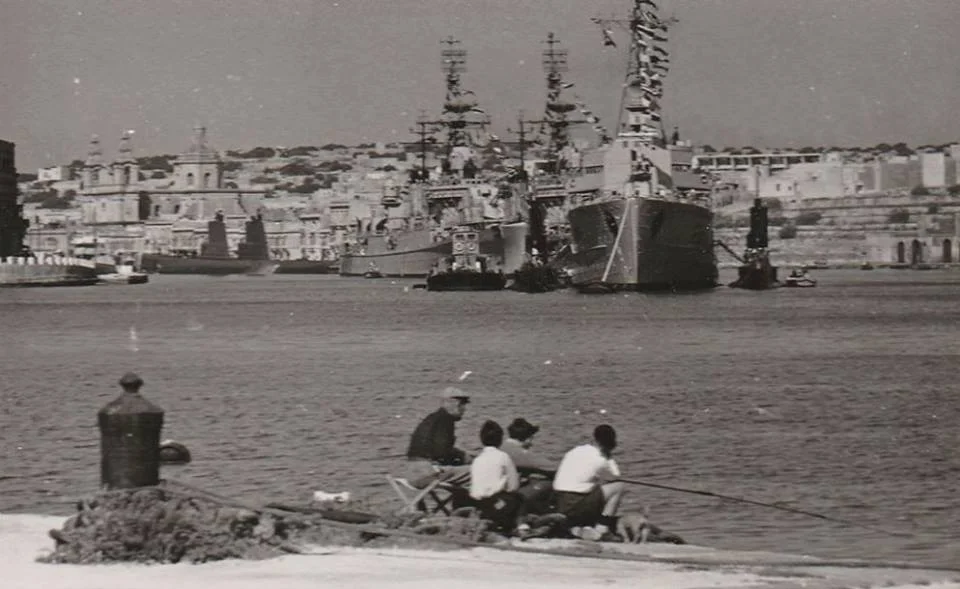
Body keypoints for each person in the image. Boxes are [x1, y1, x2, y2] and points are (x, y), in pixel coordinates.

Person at [552, 424, 625, 542]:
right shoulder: (601, 460)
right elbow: (616, 477)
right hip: (575, 504)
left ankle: (579, 524)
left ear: (594, 438)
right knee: (619, 487)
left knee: (591, 486)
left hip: (559, 501)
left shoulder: (575, 450)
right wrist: (609, 457)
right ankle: (603, 528)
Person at [405, 386, 473, 489]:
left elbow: (437, 448)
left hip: (412, 473)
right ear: (453, 403)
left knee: (459, 471)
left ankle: (462, 502)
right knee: (477, 472)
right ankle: (475, 503)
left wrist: (460, 455)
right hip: (427, 474)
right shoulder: (446, 420)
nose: (464, 408)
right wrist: (464, 457)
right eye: (462, 404)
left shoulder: (432, 418)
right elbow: (441, 452)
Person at [469, 420, 522, 533]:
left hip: (478, 503)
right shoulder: (503, 457)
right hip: (496, 504)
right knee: (519, 498)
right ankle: (522, 527)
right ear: (500, 440)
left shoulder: (477, 460)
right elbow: (513, 486)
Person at [502, 418, 555, 514]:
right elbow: (552, 468)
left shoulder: (501, 446)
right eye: (531, 439)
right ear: (527, 438)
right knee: (547, 484)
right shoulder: (519, 453)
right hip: (507, 497)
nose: (531, 444)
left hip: (498, 493)